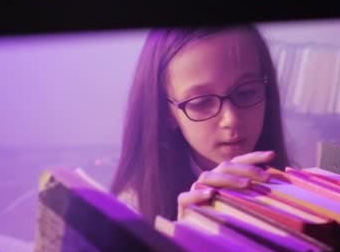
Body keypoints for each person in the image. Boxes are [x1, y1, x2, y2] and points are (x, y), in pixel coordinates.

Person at [111, 25, 290, 223]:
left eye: (246, 92)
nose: (231, 120)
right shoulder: (132, 210)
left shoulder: (291, 185)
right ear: (166, 113)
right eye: (201, 102)